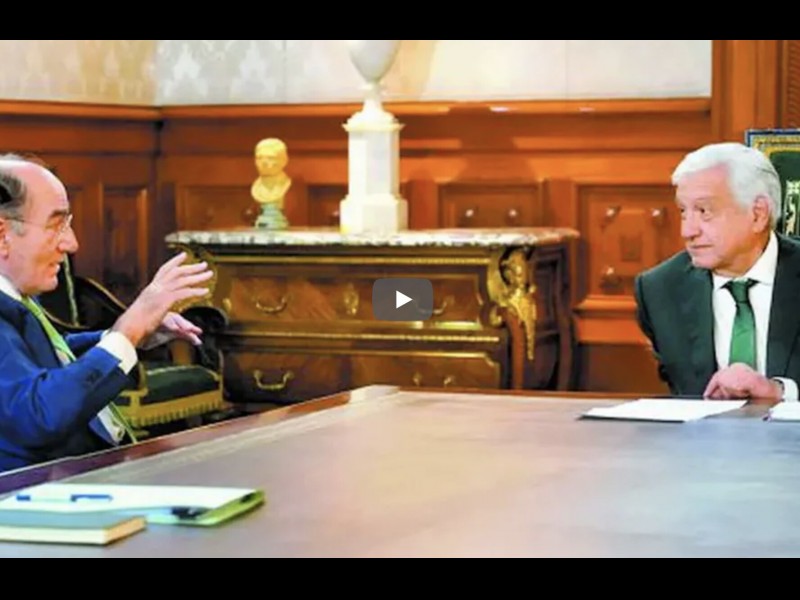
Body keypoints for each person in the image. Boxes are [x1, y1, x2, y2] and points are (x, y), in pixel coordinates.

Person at [0, 155, 213, 472]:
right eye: (56, 225)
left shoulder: (16, 297)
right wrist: (129, 328)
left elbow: (44, 356)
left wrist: (129, 336)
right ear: (2, 235)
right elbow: (38, 415)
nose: (72, 243)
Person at [635, 142, 800, 402]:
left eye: (704, 211)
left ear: (758, 214)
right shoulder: (660, 290)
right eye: (683, 212)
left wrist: (780, 392)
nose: (688, 231)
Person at [251, 138, 292, 209]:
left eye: (270, 158)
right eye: (259, 158)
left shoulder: (288, 186)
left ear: (284, 160)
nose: (264, 163)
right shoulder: (256, 187)